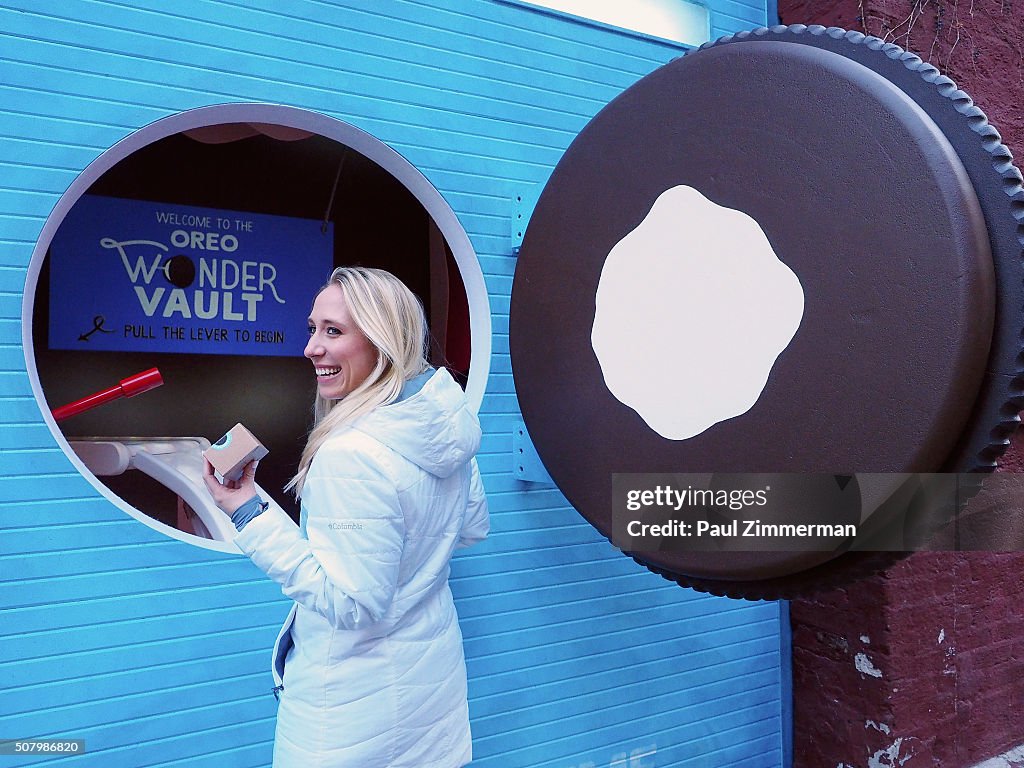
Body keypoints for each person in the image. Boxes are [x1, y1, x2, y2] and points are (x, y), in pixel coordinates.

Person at [203, 266, 489, 768]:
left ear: (382, 342)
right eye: (311, 329)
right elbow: (469, 528)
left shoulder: (352, 453)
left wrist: (247, 511)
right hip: (430, 693)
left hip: (351, 715)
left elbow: (352, 603)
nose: (312, 347)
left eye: (333, 331)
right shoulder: (441, 428)